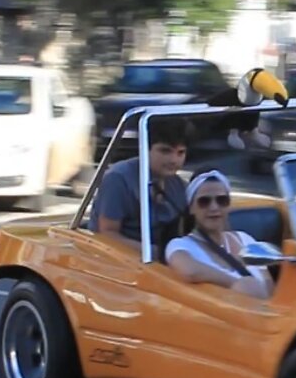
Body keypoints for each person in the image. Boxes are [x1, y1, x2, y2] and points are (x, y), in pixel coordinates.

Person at [88, 117, 193, 260]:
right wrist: (157, 254)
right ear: (145, 149)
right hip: (114, 260)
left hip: (161, 261)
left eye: (180, 152)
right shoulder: (118, 179)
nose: (174, 160)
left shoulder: (179, 185)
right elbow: (107, 234)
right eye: (165, 151)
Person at [165, 170, 274, 300]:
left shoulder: (245, 239)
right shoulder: (181, 245)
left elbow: (268, 283)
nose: (214, 207)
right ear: (191, 208)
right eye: (204, 201)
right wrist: (234, 283)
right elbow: (190, 271)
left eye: (221, 200)